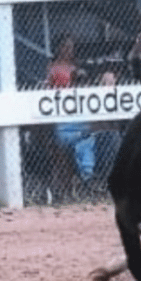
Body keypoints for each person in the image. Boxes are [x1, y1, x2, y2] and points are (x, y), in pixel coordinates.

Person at [46, 33, 100, 187]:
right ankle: (87, 176)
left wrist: (83, 80)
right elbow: (48, 89)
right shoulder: (52, 67)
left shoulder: (77, 66)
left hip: (78, 112)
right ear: (59, 48)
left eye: (72, 47)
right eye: (66, 47)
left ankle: (87, 176)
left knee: (87, 138)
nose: (69, 50)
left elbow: (87, 89)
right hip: (62, 114)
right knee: (82, 137)